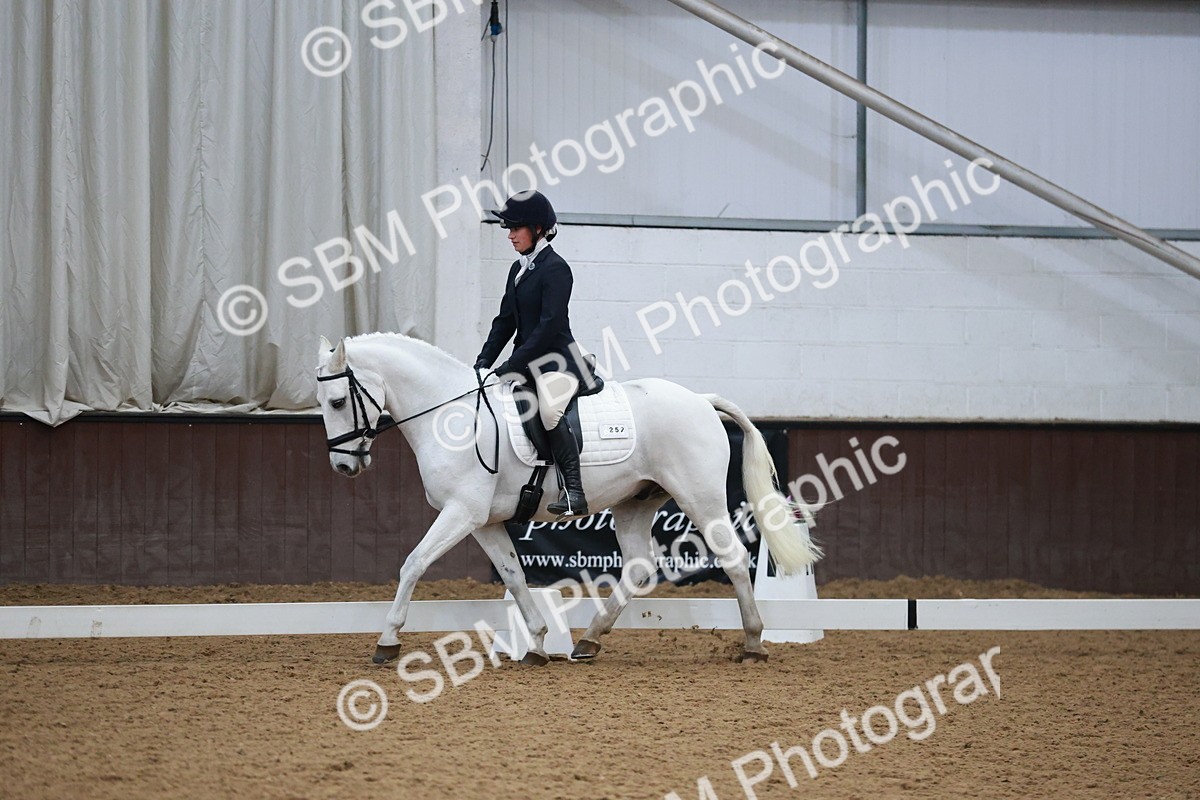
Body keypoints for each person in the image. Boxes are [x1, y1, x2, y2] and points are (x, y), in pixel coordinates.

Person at [474, 190, 594, 516]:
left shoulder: (556, 269)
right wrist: (483, 363)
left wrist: (512, 364)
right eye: (509, 230)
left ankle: (574, 492)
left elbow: (549, 326)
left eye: (516, 229)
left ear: (538, 229)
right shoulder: (518, 269)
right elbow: (504, 322)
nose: (510, 236)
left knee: (550, 411)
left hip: (557, 361)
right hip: (529, 361)